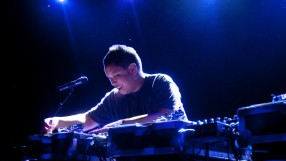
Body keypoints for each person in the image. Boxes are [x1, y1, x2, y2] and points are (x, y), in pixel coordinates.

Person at [43, 44, 188, 135]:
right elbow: (88, 119)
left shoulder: (160, 82)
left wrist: (120, 124)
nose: (113, 82)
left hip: (178, 156)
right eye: (109, 78)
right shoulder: (113, 98)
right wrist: (57, 121)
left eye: (116, 75)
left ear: (132, 69)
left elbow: (168, 115)